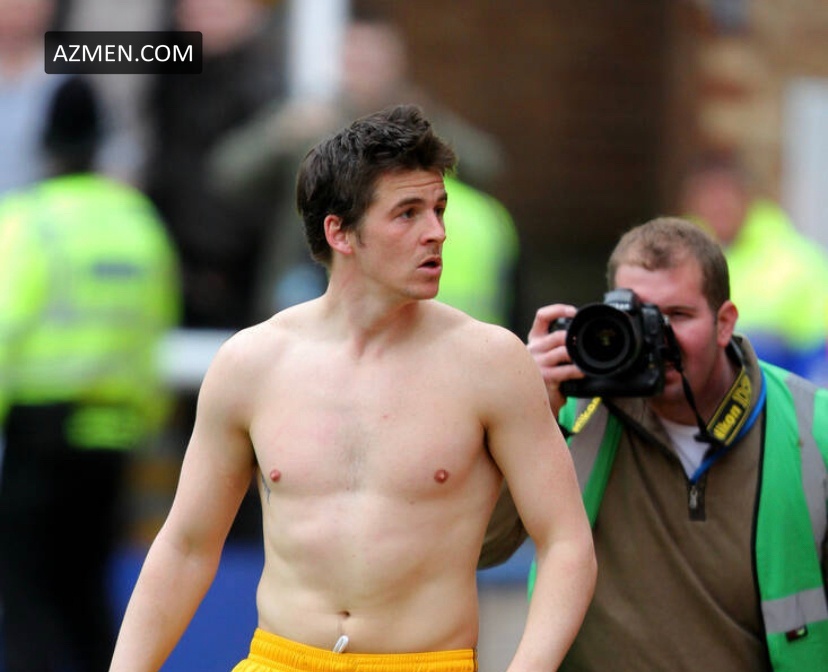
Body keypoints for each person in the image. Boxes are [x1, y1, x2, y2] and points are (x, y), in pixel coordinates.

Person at [109, 104, 596, 672]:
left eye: (438, 209)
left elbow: (566, 542)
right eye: (407, 213)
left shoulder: (491, 362)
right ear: (339, 232)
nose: (437, 232)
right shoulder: (251, 363)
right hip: (279, 660)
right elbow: (187, 547)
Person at [481, 216, 828, 670]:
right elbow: (482, 548)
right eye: (639, 317)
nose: (657, 338)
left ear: (725, 323)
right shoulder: (572, 413)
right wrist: (527, 413)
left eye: (676, 316)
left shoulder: (811, 423)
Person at [0, 76, 181, 672]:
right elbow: (155, 330)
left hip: (38, 434)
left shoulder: (29, 220)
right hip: (113, 437)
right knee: (88, 595)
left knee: (29, 597)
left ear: (45, 143)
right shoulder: (139, 223)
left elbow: (3, 330)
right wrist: (144, 419)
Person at [680, 153, 828, 384]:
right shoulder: (674, 257)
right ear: (692, 202)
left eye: (727, 195)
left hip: (776, 390)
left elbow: (818, 356)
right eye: (709, 196)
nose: (719, 206)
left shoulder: (798, 260)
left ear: (747, 198)